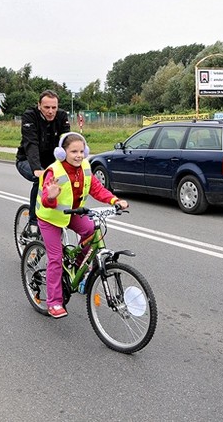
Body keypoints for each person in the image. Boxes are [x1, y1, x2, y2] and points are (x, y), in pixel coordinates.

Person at [36, 132, 128, 318]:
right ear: (63, 153)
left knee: (92, 232)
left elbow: (96, 188)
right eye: (73, 152)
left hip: (72, 213)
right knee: (55, 258)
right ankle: (54, 302)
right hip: (50, 217)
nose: (78, 155)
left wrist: (114, 200)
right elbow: (46, 199)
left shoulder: (85, 166)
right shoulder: (55, 171)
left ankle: (77, 269)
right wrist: (51, 195)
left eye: (81, 151)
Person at [15, 89, 71, 237]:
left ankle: (55, 215)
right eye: (47, 107)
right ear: (39, 105)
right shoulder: (30, 116)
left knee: (63, 183)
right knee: (41, 179)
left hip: (51, 163)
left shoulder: (62, 116)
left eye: (54, 107)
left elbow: (67, 142)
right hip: (27, 160)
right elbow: (31, 143)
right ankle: (33, 222)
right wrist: (36, 169)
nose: (51, 111)